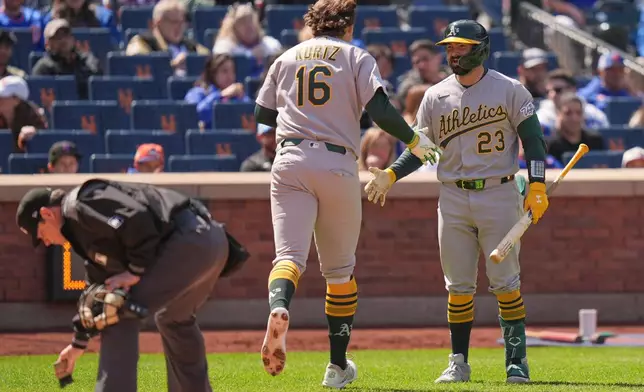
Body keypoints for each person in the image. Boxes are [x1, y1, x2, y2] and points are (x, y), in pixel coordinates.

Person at [254, 0, 438, 388]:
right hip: (337, 162)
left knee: (288, 257)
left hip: (289, 159)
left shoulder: (286, 57)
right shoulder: (355, 56)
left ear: (311, 23)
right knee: (339, 273)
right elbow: (382, 111)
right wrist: (415, 140)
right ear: (348, 25)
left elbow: (262, 116)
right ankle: (336, 367)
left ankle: (278, 306)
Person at [364, 20, 550, 384]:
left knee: (506, 282)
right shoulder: (435, 96)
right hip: (452, 195)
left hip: (498, 191)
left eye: (460, 46)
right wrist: (391, 173)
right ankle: (458, 362)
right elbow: (423, 150)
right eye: (450, 46)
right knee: (458, 285)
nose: (453, 52)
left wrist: (538, 184)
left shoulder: (511, 90)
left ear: (480, 48)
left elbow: (535, 140)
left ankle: (516, 362)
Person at [15, 179, 249, 392]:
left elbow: (137, 219)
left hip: (189, 240)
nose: (44, 242)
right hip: (210, 242)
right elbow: (95, 289)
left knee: (117, 311)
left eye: (40, 235)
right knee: (173, 319)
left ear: (46, 214)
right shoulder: (80, 233)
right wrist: (78, 343)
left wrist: (135, 271)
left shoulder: (81, 203)